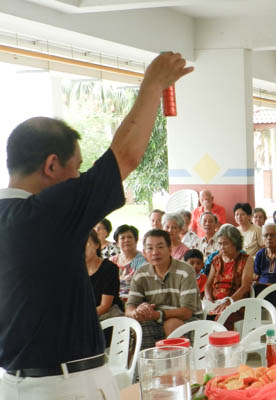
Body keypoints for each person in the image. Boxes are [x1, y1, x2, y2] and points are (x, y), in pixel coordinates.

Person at [0, 52, 192, 398]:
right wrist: (153, 83)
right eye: (77, 168)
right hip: (66, 384)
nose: (78, 178)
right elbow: (125, 156)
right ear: (52, 165)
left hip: (14, 383)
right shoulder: (44, 213)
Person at [125, 229, 202, 350]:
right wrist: (137, 312)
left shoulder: (185, 271)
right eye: (150, 248)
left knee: (172, 324)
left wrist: (157, 315)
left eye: (160, 247)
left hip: (186, 321)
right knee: (137, 328)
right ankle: (147, 367)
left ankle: (177, 367)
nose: (155, 252)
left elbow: (187, 312)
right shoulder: (141, 274)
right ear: (144, 253)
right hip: (153, 320)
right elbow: (129, 307)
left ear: (170, 249)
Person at [204, 224, 254, 326]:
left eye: (225, 244)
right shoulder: (216, 259)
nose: (221, 248)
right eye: (220, 244)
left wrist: (229, 301)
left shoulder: (246, 259)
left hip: (236, 304)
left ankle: (223, 341)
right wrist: (210, 300)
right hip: (216, 303)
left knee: (221, 318)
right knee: (201, 317)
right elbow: (208, 285)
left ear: (235, 244)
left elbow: (245, 286)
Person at [86, 230, 124, 321]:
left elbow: (105, 306)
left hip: (108, 316)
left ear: (96, 245)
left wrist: (83, 317)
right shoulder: (76, 271)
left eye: (86, 245)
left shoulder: (109, 268)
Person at [111, 224, 147, 297]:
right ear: (117, 243)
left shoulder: (143, 260)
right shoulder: (112, 260)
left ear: (136, 240)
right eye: (122, 238)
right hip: (112, 298)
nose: (126, 240)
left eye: (129, 237)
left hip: (134, 298)